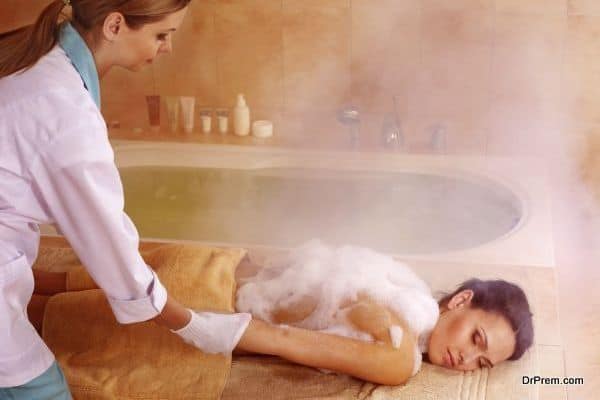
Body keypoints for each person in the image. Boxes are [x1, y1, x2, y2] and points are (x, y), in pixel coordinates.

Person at [0, 1, 252, 398]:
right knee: (41, 390)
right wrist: (191, 325)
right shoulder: (63, 110)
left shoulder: (39, 57)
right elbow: (109, 246)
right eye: (161, 34)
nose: (167, 47)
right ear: (115, 25)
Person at [29, 251, 534, 387]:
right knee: (34, 317)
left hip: (209, 263)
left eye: (482, 362)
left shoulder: (402, 289)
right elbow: (283, 340)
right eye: (476, 338)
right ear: (461, 301)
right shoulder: (400, 353)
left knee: (36, 286)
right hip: (197, 297)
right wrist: (189, 323)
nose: (467, 357)